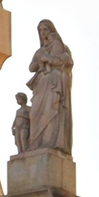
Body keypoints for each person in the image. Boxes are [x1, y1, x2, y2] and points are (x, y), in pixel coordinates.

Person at [26, 20, 73, 153]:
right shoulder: (39, 51)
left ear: (52, 30)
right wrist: (40, 60)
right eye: (41, 30)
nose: (43, 33)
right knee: (35, 113)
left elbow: (67, 63)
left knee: (51, 111)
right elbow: (31, 67)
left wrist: (50, 60)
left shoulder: (62, 47)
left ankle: (50, 142)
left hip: (54, 85)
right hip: (40, 84)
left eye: (45, 29)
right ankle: (36, 144)